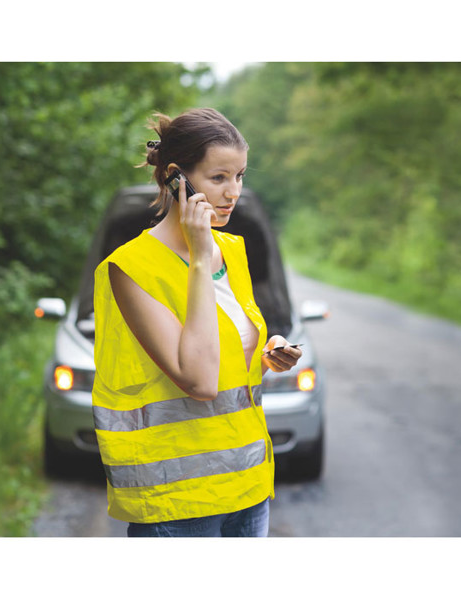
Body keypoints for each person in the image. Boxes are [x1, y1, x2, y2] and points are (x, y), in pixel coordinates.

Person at [91, 107, 302, 537]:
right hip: (178, 502)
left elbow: (222, 365)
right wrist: (200, 258)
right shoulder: (131, 269)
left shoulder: (233, 251)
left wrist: (263, 357)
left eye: (240, 176)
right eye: (218, 178)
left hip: (247, 486)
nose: (233, 193)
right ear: (176, 178)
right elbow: (200, 381)